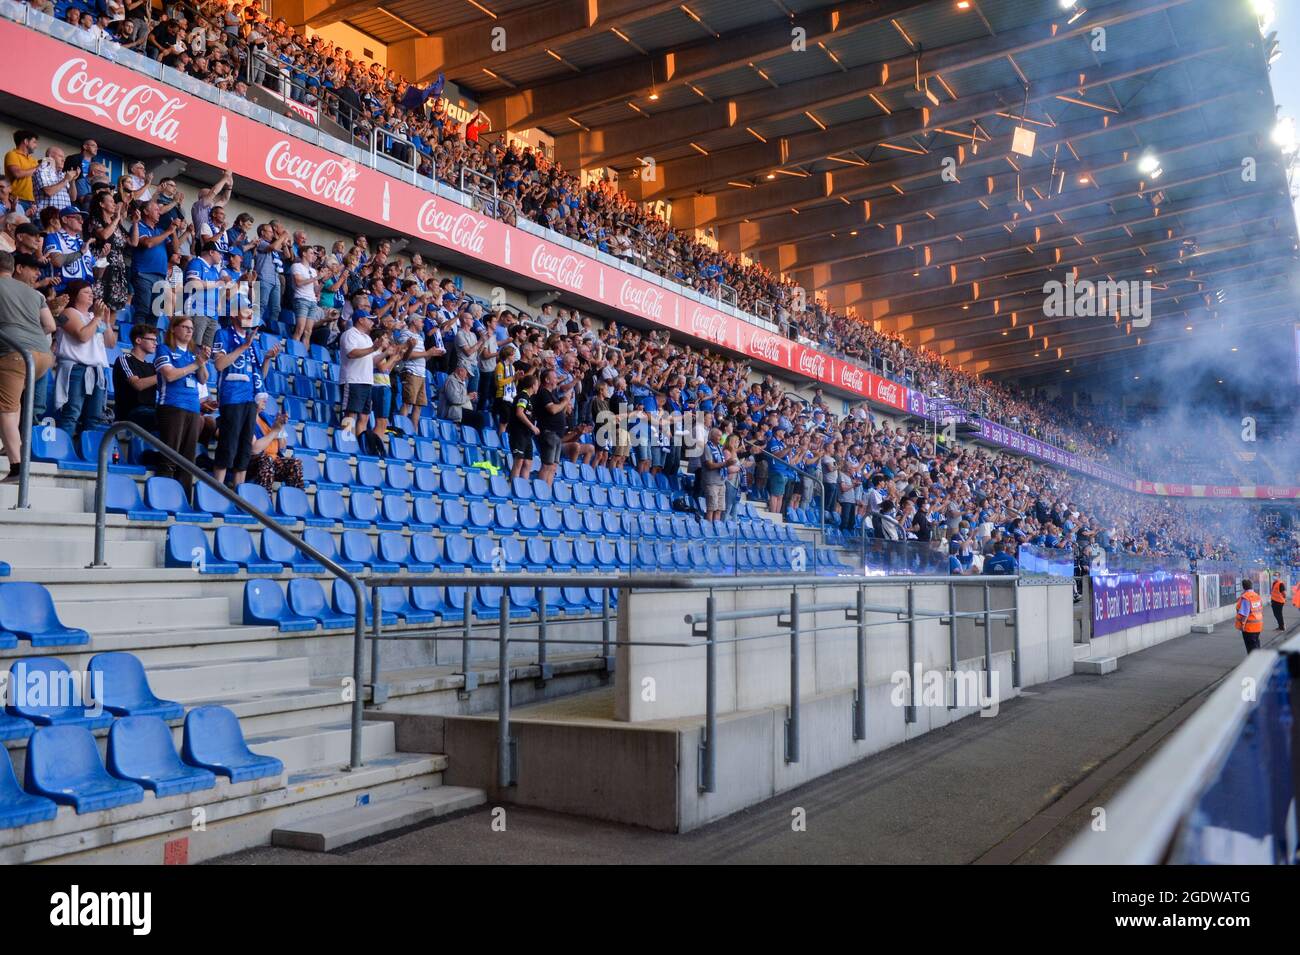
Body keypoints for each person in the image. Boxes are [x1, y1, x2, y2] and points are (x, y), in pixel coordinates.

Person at [0, 251, 55, 481]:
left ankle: (17, 465)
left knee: (4, 409)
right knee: (15, 401)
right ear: (13, 268)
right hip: (43, 354)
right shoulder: (33, 293)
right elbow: (50, 325)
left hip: (15, 353)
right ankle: (10, 443)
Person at [52, 280, 115, 438]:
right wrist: (97, 318)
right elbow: (82, 336)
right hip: (76, 368)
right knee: (71, 413)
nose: (91, 294)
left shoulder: (95, 316)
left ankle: (89, 454)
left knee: (94, 417)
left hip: (97, 370)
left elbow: (111, 343)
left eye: (91, 292)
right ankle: (63, 451)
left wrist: (106, 321)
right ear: (75, 295)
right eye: (86, 292)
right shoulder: (68, 312)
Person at [153, 315, 209, 491]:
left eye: (191, 328)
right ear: (173, 329)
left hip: (193, 408)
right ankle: (164, 497)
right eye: (185, 327)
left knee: (188, 461)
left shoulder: (193, 354)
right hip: (172, 406)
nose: (189, 331)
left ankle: (183, 500)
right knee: (169, 456)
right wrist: (194, 365)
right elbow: (169, 375)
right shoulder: (164, 349)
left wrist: (202, 362)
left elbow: (203, 379)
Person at [112, 323, 158, 432]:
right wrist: (163, 375)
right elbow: (138, 385)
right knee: (167, 417)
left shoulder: (151, 367)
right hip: (131, 413)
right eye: (152, 340)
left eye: (156, 340)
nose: (155, 343)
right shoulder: (125, 359)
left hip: (149, 410)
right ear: (138, 340)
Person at [248, 408, 303, 493]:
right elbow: (254, 450)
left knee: (295, 463)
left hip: (273, 461)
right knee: (267, 459)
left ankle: (295, 500)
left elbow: (282, 447)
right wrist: (274, 432)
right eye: (261, 396)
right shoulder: (248, 419)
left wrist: (280, 426)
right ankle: (264, 501)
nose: (265, 399)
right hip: (254, 462)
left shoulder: (267, 418)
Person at [509, 373, 540, 479]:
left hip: (527, 435)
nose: (538, 387)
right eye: (537, 385)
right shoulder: (523, 396)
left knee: (528, 463)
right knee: (519, 461)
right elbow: (519, 412)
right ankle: (515, 487)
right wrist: (532, 426)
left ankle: (523, 489)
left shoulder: (529, 398)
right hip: (518, 433)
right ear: (533, 385)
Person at [1235, 578, 1263, 654]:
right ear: (1251, 586)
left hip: (1249, 627)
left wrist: (1242, 625)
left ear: (1243, 587)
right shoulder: (1257, 596)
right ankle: (1258, 661)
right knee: (1256, 644)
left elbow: (1245, 614)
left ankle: (1254, 664)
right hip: (1258, 625)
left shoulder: (1246, 597)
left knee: (1251, 648)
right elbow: (1260, 609)